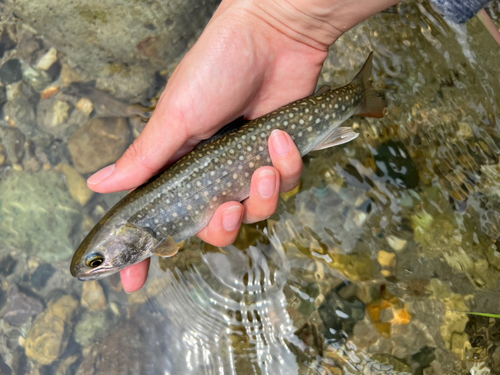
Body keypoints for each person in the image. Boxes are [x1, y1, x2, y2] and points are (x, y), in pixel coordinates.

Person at [86, 0, 491, 292]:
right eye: (97, 263)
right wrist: (272, 16)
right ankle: (353, 98)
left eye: (97, 261)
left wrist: (269, 18)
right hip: (261, 131)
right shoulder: (155, 237)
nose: (98, 268)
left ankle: (354, 97)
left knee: (277, 166)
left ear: (125, 236)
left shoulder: (156, 235)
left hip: (263, 130)